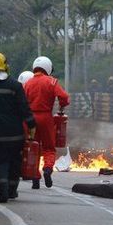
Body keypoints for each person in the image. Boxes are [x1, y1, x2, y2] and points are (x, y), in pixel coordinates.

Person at [0, 52, 36, 203]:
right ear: (5, 66)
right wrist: (31, 124)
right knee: (14, 161)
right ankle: (11, 190)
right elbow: (24, 107)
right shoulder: (15, 85)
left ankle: (1, 187)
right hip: (14, 134)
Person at [24, 56, 70, 189]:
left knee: (34, 147)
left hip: (30, 119)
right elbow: (64, 97)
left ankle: (35, 178)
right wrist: (62, 105)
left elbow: (21, 102)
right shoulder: (51, 81)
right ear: (48, 68)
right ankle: (48, 169)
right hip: (46, 118)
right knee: (49, 147)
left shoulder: (28, 83)